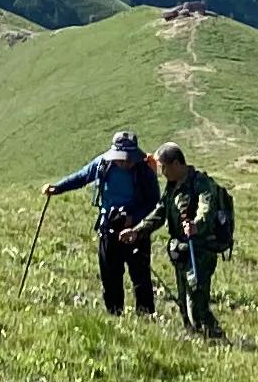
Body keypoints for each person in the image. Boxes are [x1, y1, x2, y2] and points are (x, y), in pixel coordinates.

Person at [47, 130, 168, 316]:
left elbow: (154, 203)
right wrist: (58, 187)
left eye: (129, 159)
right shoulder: (103, 164)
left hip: (137, 231)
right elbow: (81, 177)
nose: (125, 162)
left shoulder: (144, 171)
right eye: (121, 158)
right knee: (110, 277)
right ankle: (114, 314)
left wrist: (133, 219)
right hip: (108, 229)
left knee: (141, 277)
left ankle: (145, 316)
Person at [155, 142, 234, 337]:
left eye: (163, 167)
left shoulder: (201, 183)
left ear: (175, 164)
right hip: (182, 251)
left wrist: (195, 225)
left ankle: (216, 338)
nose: (162, 172)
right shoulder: (172, 187)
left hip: (200, 251)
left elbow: (206, 208)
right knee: (183, 301)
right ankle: (195, 337)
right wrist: (137, 231)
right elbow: (159, 213)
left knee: (197, 302)